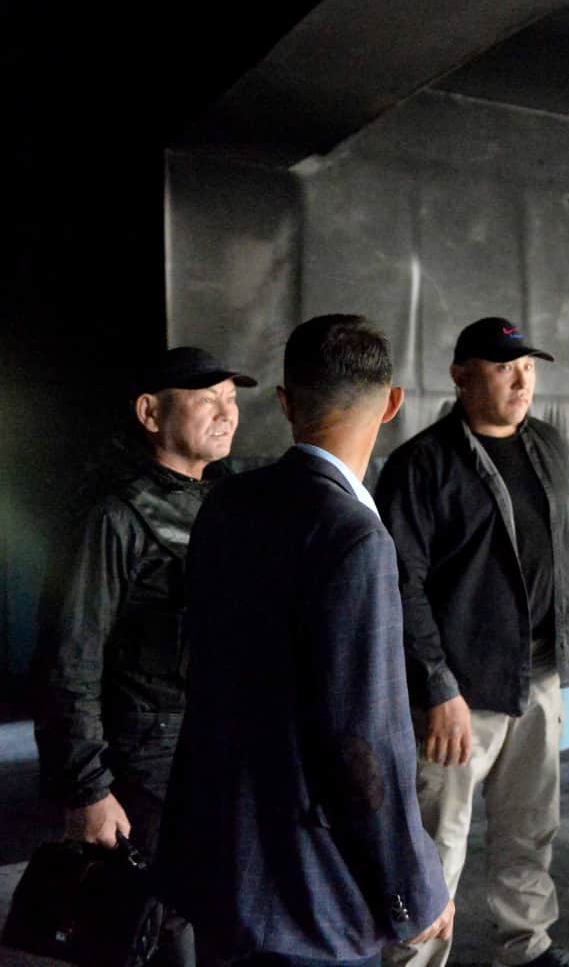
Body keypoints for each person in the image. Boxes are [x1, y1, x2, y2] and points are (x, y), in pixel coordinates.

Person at [159, 315, 453, 965]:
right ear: (393, 405)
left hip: (217, 861)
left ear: (286, 403)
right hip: (310, 894)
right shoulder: (354, 536)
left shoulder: (227, 503)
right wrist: (415, 892)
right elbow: (364, 743)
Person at [377, 317, 569, 967]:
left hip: (538, 673)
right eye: (504, 367)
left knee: (529, 827)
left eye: (527, 367)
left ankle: (527, 948)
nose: (521, 380)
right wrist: (437, 687)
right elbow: (401, 584)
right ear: (461, 375)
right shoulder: (423, 464)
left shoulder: (548, 446)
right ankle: (415, 963)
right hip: (461, 691)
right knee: (436, 842)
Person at [34, 346, 255, 967]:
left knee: (211, 919)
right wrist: (88, 787)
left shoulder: (229, 501)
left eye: (232, 399)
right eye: (207, 399)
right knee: (149, 930)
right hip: (145, 758)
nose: (226, 413)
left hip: (216, 750)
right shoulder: (115, 516)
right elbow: (70, 657)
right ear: (150, 413)